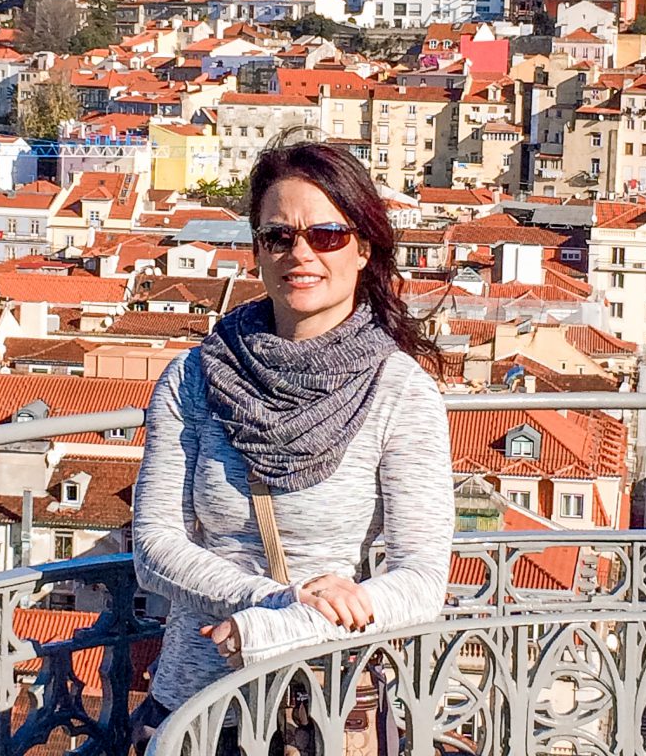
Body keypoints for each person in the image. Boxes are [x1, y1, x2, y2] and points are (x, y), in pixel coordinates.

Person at [132, 138, 455, 748]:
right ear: (258, 250)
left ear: (364, 247)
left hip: (325, 711)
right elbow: (154, 546)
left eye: (326, 235)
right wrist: (275, 599)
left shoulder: (398, 391)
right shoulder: (195, 376)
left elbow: (421, 579)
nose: (300, 253)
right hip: (197, 704)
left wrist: (279, 629)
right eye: (279, 236)